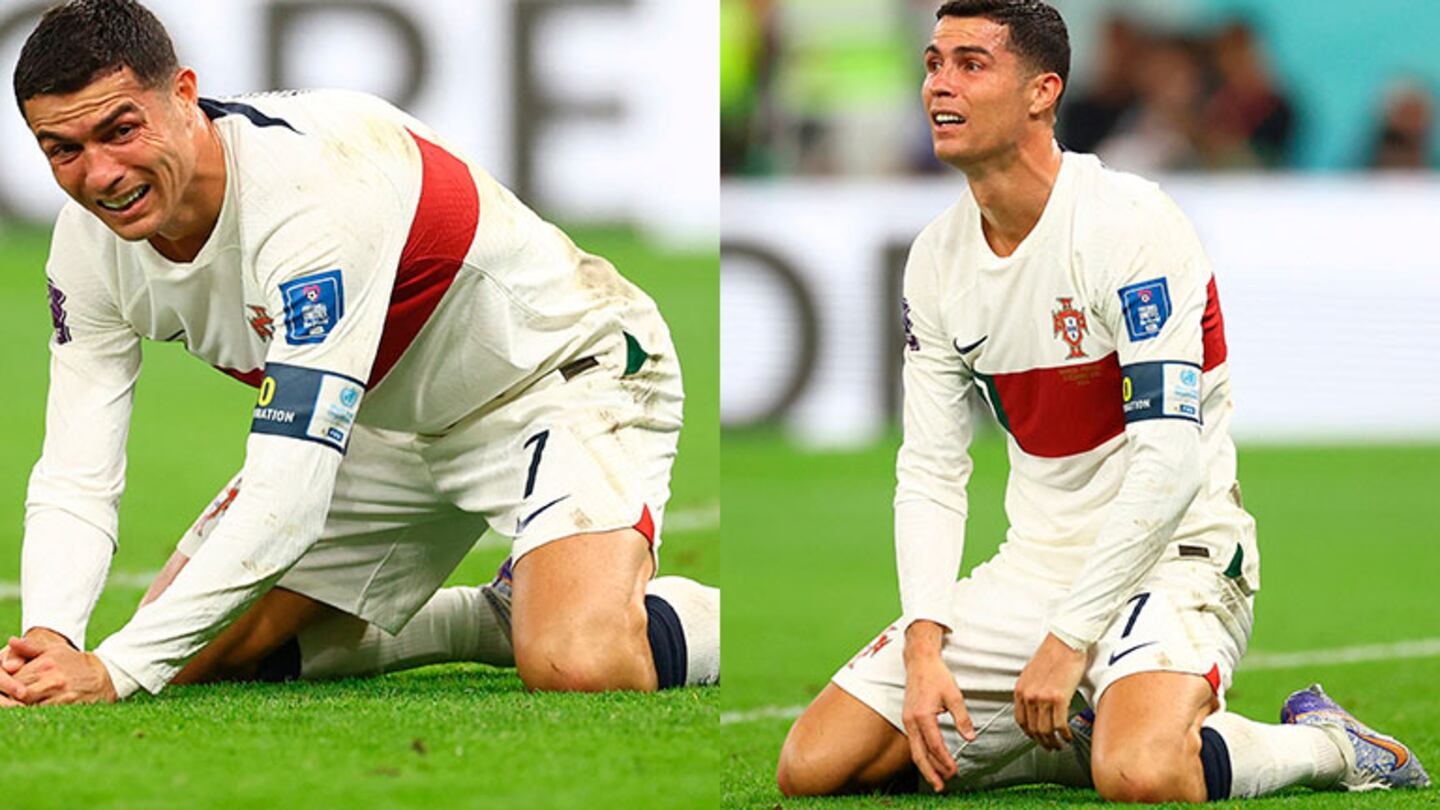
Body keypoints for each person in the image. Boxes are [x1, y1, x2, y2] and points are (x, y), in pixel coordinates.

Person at [774, 0, 1427, 801]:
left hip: (1176, 555)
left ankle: (1325, 745)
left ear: (1042, 92)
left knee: (1144, 774)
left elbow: (1169, 460)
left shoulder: (1130, 225)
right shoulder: (936, 261)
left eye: (971, 64)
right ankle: (1087, 724)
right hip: (1036, 567)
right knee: (813, 767)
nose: (939, 85)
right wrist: (923, 643)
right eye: (934, 63)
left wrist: (1069, 638)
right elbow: (932, 470)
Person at [0, 0, 718, 707]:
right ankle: (497, 615)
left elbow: (290, 495)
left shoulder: (310, 194)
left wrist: (117, 668)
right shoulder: (86, 249)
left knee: (577, 663)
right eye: (63, 149)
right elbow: (75, 471)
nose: (100, 175)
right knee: (189, 653)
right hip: (376, 417)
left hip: (550, 377)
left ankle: (673, 617)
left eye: (119, 130)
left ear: (184, 95)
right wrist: (52, 639)